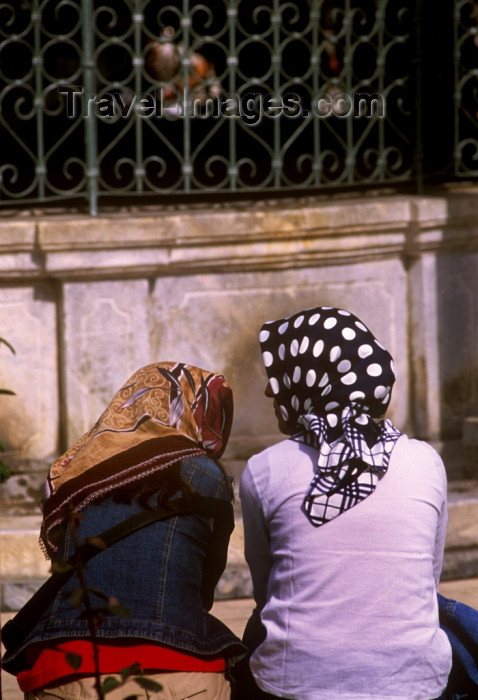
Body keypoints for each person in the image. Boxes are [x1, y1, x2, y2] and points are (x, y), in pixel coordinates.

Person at [239, 306, 452, 700]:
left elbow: (265, 590)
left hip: (293, 685)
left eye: (280, 373)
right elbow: (429, 579)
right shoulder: (427, 461)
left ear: (311, 379)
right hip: (414, 684)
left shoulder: (263, 469)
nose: (271, 390)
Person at [2, 361, 246, 699]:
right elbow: (203, 590)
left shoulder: (73, 472)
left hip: (65, 670)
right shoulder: (206, 475)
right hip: (178, 670)